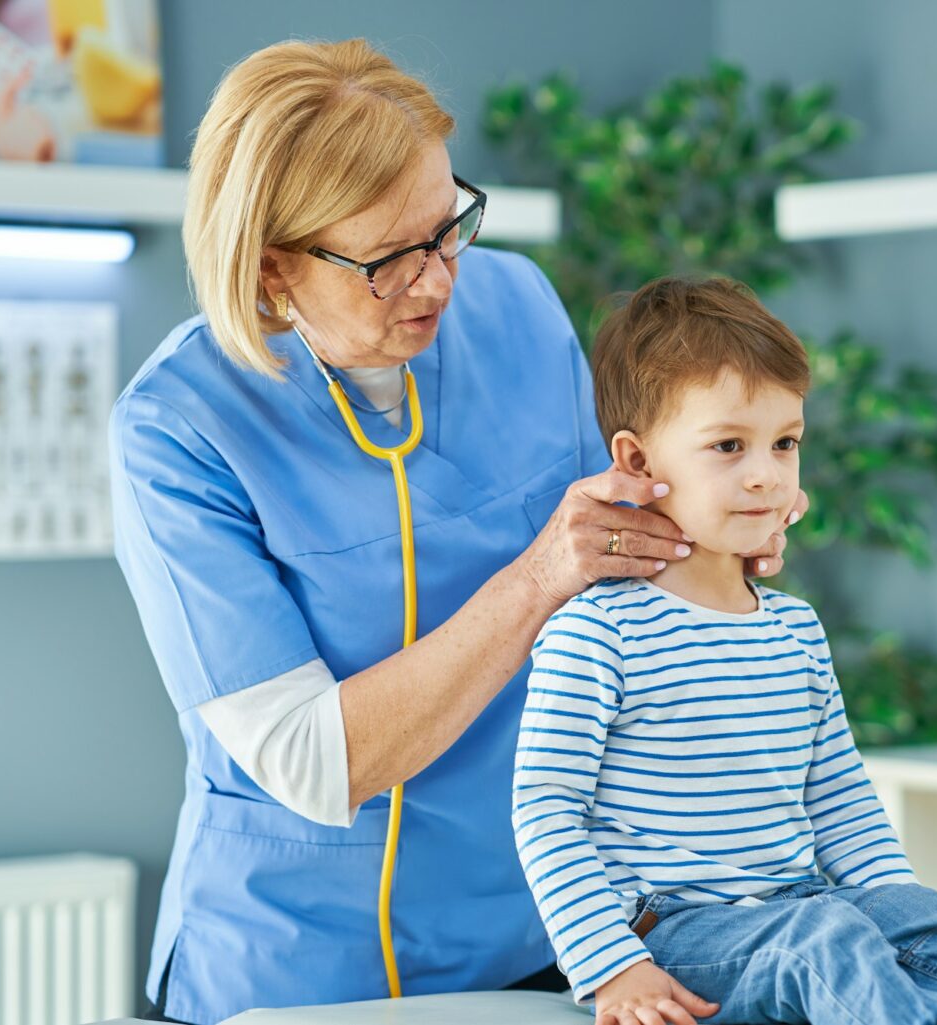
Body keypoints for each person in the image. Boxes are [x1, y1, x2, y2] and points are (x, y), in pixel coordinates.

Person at [109, 40, 802, 1025]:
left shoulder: (516, 304)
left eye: (448, 228)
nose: (438, 280)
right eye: (390, 260)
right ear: (273, 266)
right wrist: (535, 578)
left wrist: (718, 522)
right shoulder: (179, 428)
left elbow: (611, 557)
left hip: (532, 938)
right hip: (294, 967)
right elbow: (316, 760)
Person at [513, 277, 937, 1025]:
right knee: (822, 938)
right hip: (674, 933)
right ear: (636, 459)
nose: (766, 472)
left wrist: (902, 913)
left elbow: (841, 795)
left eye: (784, 442)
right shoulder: (598, 631)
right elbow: (544, 807)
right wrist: (613, 966)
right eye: (728, 445)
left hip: (802, 906)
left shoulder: (794, 629)